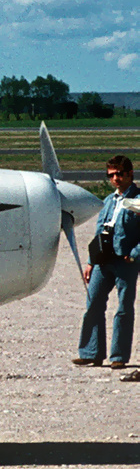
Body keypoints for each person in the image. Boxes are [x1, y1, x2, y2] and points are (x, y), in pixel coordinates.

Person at [75, 155, 140, 369]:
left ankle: (118, 357)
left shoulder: (138, 200)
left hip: (125, 262)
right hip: (103, 260)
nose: (115, 179)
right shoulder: (109, 200)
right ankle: (91, 352)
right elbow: (98, 231)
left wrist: (133, 255)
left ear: (130, 174)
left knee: (123, 308)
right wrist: (90, 262)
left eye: (119, 174)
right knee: (93, 303)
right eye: (111, 175)